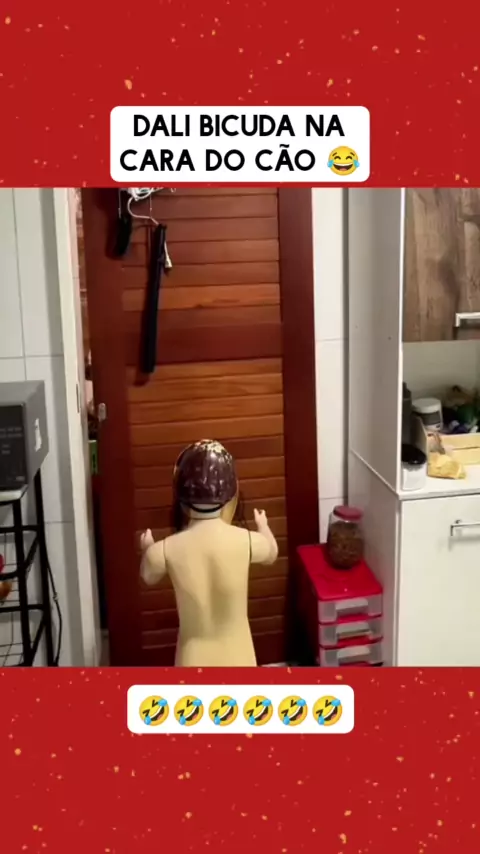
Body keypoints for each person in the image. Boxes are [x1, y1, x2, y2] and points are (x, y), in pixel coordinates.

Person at [140, 439, 278, 666]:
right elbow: (272, 552)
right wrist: (263, 525)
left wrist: (148, 547)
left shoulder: (165, 550)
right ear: (230, 493)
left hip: (191, 660)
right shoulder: (245, 541)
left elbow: (148, 574)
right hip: (239, 658)